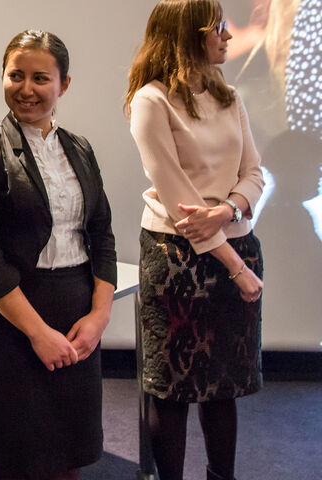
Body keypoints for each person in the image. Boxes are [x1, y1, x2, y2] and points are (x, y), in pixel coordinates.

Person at [0, 30, 117, 480]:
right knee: (22, 457)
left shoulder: (80, 148)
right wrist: (39, 334)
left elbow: (102, 237)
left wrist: (100, 317)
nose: (26, 88)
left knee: (69, 456)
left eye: (40, 78)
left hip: (77, 311)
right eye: (16, 75)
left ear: (63, 85)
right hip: (15, 319)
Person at [124, 1, 265, 479]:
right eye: (218, 28)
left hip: (234, 246)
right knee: (173, 387)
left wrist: (228, 209)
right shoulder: (151, 100)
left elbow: (254, 175)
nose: (227, 35)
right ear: (189, 35)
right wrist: (237, 268)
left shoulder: (230, 97)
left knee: (223, 384)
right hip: (176, 258)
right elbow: (182, 207)